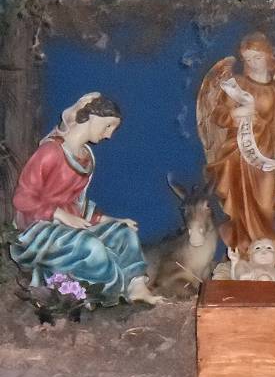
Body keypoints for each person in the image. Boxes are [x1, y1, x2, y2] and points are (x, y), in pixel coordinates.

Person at [10, 92, 162, 306]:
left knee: (125, 234)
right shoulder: (51, 152)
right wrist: (59, 214)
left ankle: (136, 288)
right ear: (92, 117)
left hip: (69, 226)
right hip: (39, 229)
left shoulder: (87, 158)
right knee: (92, 247)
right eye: (108, 126)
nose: (109, 135)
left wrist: (110, 220)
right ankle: (97, 294)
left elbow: (77, 205)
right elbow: (23, 198)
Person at [197, 32, 275, 256]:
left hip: (264, 155)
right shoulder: (237, 85)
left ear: (268, 56)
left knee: (267, 205)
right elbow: (217, 114)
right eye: (248, 59)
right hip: (237, 153)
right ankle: (244, 250)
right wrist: (234, 115)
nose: (252, 63)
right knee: (240, 204)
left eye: (257, 57)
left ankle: (271, 252)